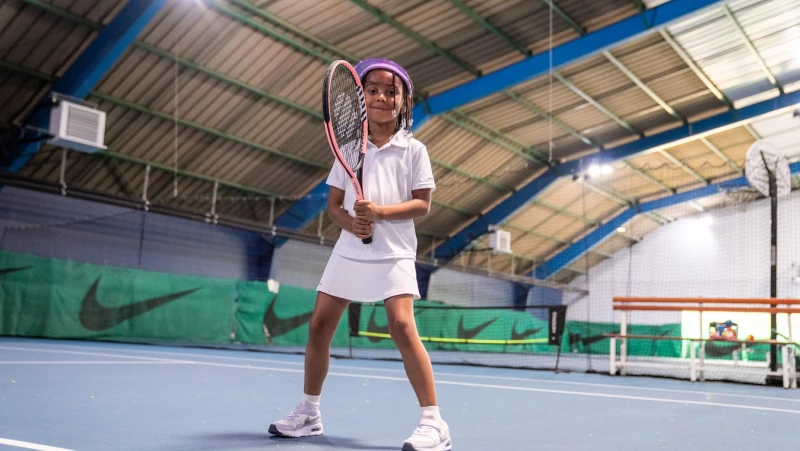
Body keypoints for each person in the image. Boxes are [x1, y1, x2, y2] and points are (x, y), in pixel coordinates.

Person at [268, 58, 451, 451]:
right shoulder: (348, 148)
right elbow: (334, 205)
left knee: (402, 327)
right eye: (373, 90)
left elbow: (422, 205)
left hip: (395, 252)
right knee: (319, 326)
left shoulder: (414, 150)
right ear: (360, 97)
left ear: (404, 101)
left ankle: (434, 423)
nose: (382, 97)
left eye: (391, 91)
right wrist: (351, 224)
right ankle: (309, 412)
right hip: (350, 250)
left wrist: (382, 213)